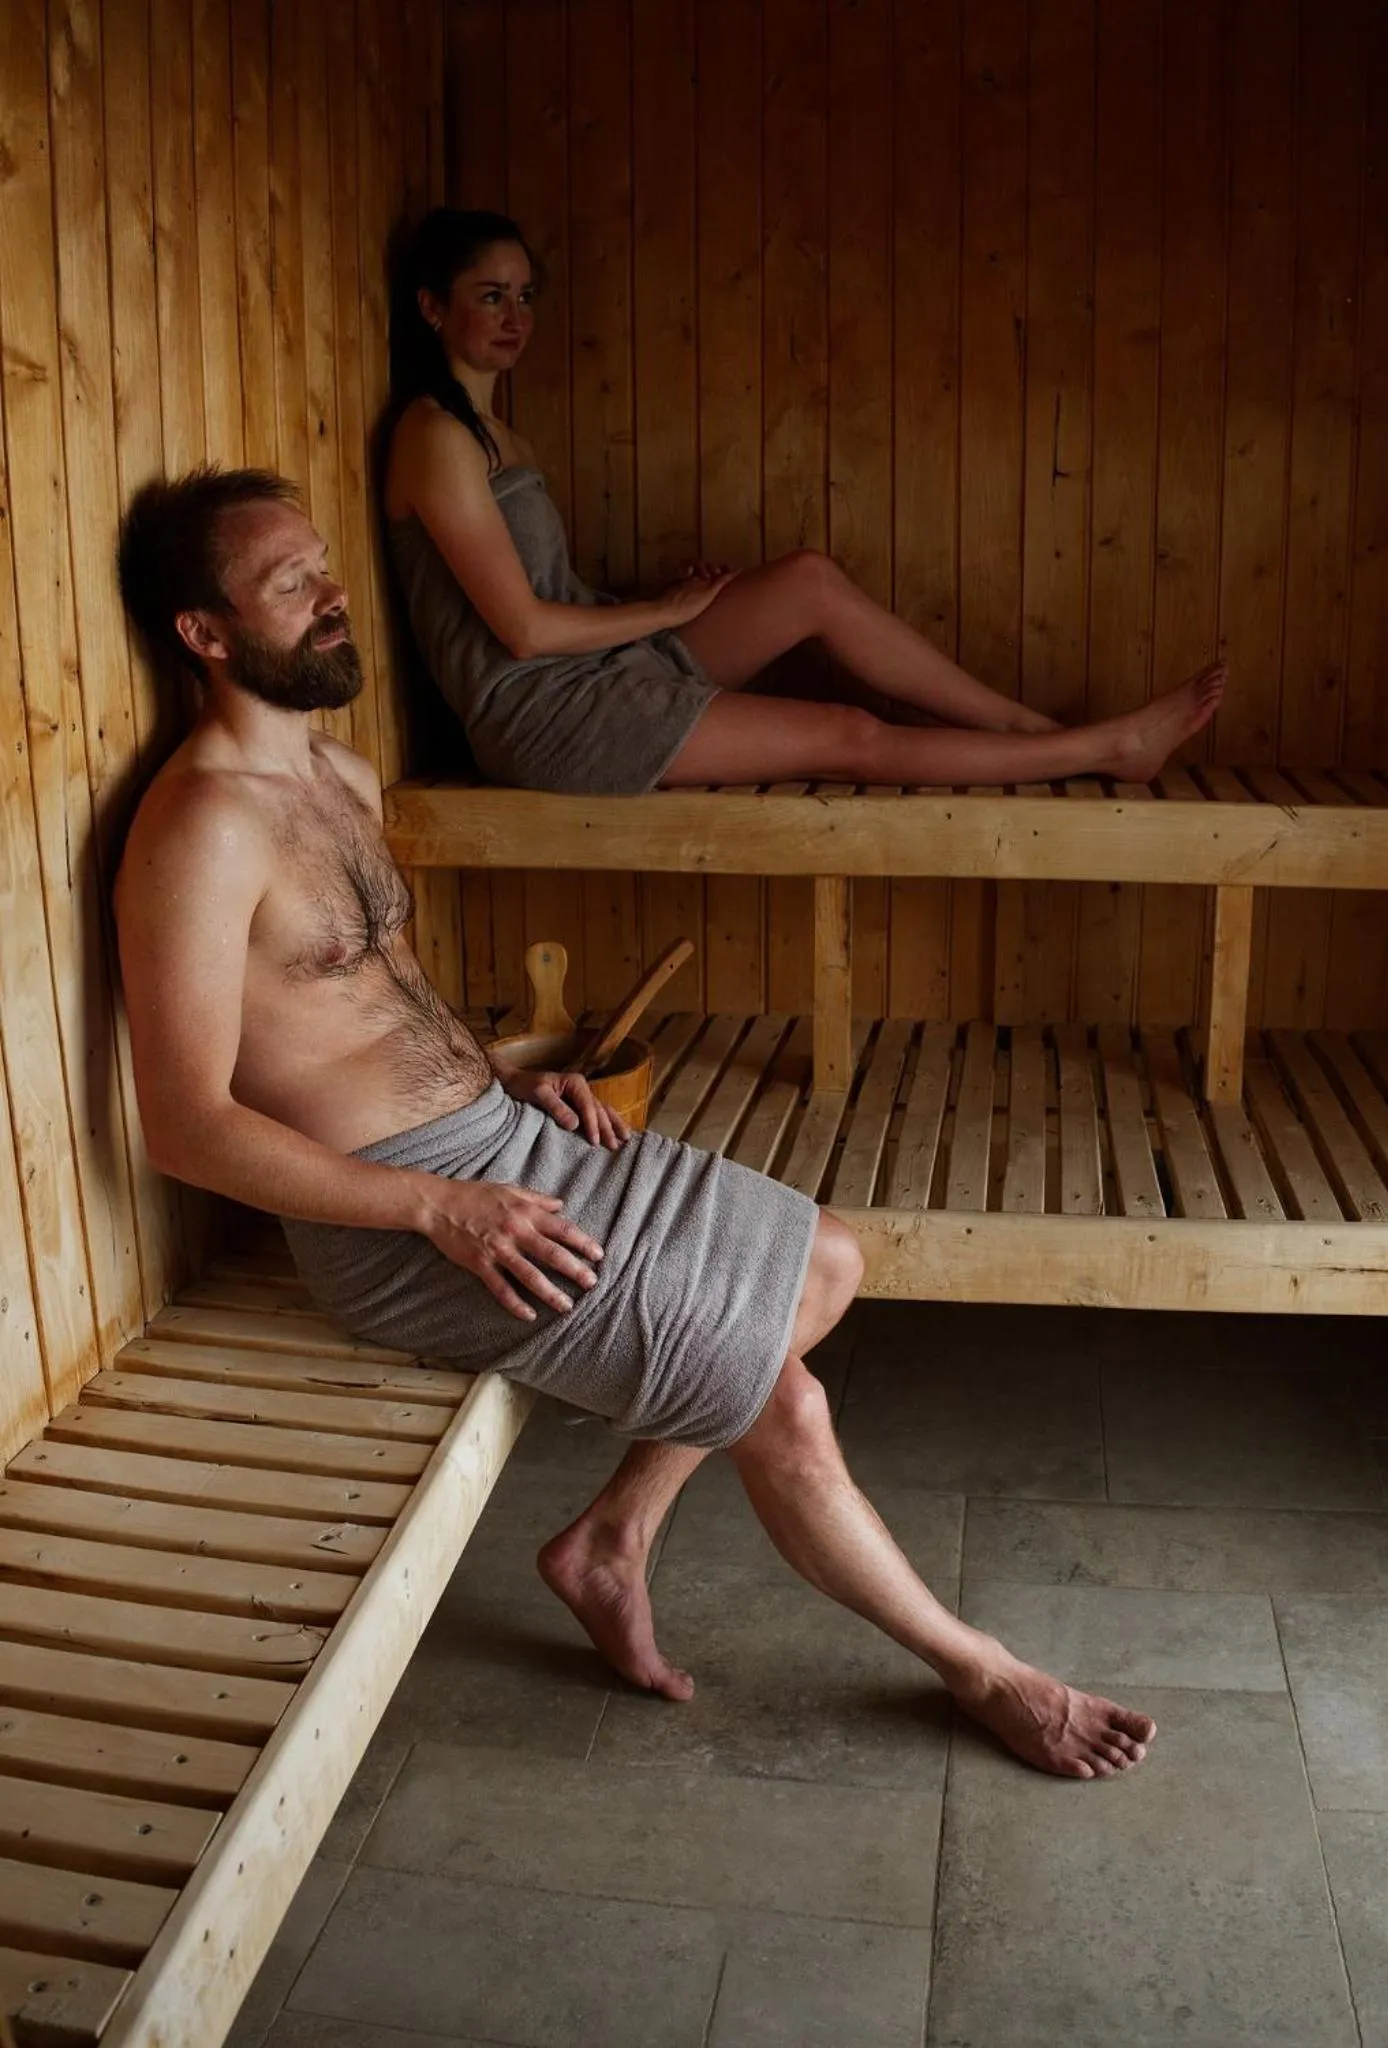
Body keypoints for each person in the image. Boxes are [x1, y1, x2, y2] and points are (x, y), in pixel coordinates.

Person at [112, 464, 1157, 1781]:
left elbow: (366, 1005)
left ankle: (608, 1541)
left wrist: (497, 1074)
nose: (329, 601)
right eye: (287, 587)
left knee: (827, 1257)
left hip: (499, 1147)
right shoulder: (198, 829)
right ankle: (985, 1670)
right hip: (395, 1224)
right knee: (786, 1402)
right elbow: (184, 1124)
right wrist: (440, 1204)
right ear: (203, 636)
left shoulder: (339, 777)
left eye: (322, 569)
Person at [384, 206, 1225, 796]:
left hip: (598, 667)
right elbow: (525, 634)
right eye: (490, 295)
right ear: (432, 306)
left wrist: (676, 610)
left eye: (525, 295)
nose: (515, 317)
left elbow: (551, 603)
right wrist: (664, 609)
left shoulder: (503, 438)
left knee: (808, 581)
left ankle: (1024, 729)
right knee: (846, 733)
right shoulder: (434, 437)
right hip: (545, 717)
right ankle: (1107, 746)